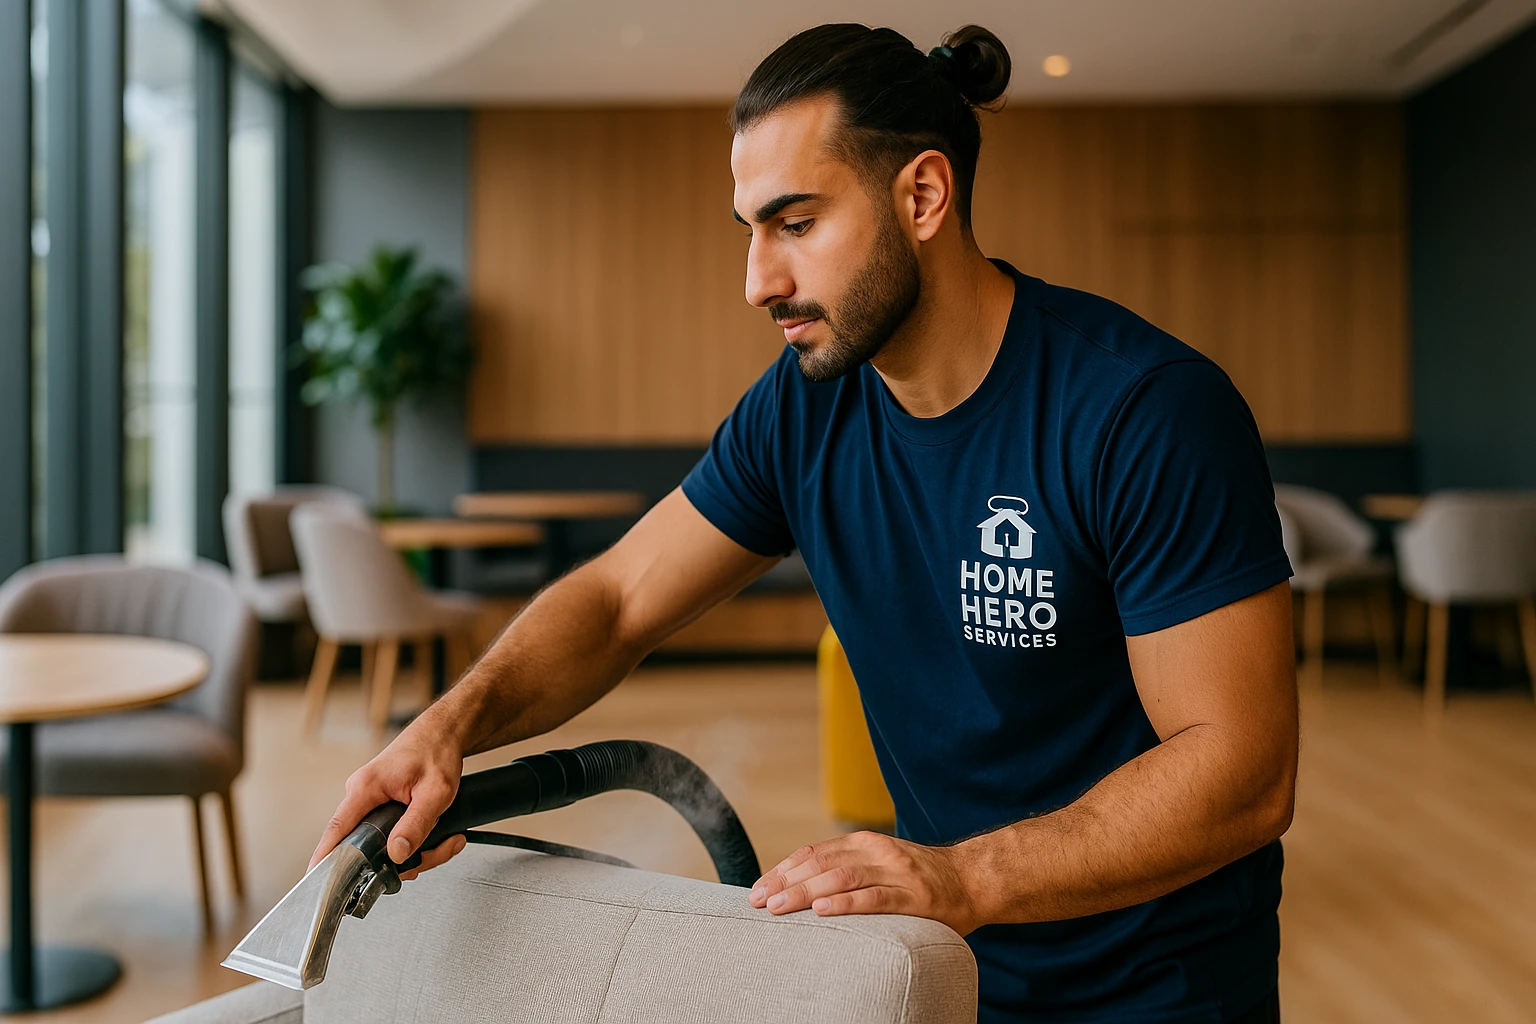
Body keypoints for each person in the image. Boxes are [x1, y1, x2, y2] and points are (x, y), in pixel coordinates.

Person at [308, 23, 1296, 1024]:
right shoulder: (804, 407)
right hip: (938, 970)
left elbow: (1241, 766)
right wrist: (445, 728)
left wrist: (963, 877)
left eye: (794, 222)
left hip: (1156, 993)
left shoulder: (1143, 409)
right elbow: (614, 601)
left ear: (922, 196)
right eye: (749, 227)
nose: (757, 280)